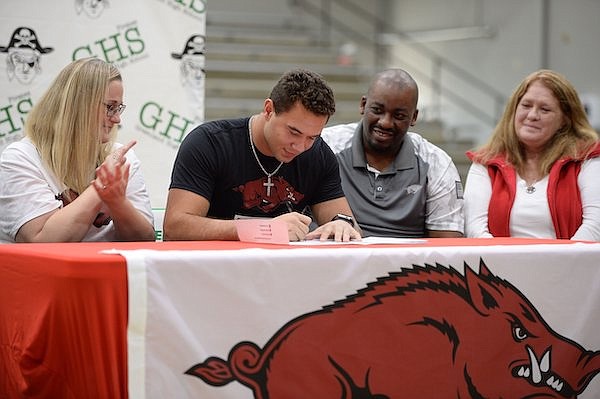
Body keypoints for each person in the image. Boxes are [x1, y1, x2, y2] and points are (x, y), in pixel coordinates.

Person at [164, 68, 361, 242]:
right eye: (293, 132)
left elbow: (347, 223)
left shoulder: (319, 155)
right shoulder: (210, 142)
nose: (300, 146)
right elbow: (175, 227)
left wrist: (343, 227)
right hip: (214, 268)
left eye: (312, 137)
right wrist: (263, 230)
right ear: (269, 110)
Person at [0, 57, 155, 243]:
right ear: (78, 106)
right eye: (110, 107)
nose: (117, 120)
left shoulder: (121, 157)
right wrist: (101, 186)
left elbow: (144, 240)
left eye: (118, 108)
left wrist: (118, 202)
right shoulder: (21, 158)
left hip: (107, 270)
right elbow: (41, 242)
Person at [320, 68, 464, 238]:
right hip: (337, 259)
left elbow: (447, 248)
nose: (386, 123)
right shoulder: (325, 146)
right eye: (377, 110)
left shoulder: (437, 163)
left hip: (407, 264)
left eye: (399, 115)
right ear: (363, 105)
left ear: (414, 117)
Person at [464, 69, 600, 241]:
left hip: (569, 265)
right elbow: (474, 228)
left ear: (564, 120)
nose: (532, 115)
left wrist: (558, 264)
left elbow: (595, 226)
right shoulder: (485, 162)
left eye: (545, 109)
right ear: (513, 109)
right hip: (501, 266)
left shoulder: (587, 158)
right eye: (526, 105)